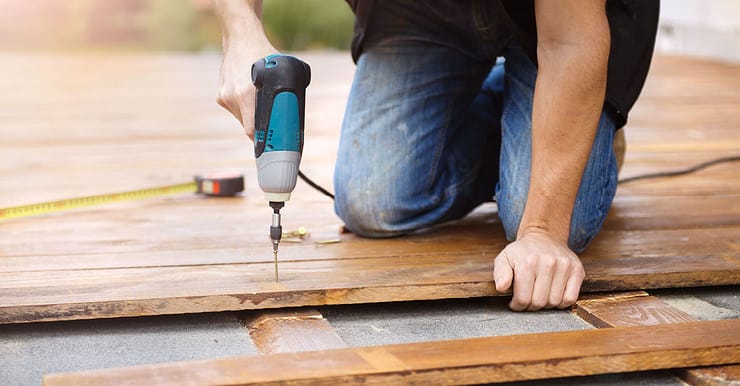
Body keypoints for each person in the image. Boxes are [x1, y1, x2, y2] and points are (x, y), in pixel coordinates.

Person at [214, 0, 659, 311]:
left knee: (552, 221)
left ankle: (584, 122)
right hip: (418, 10)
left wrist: (542, 231)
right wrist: (240, 31)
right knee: (373, 201)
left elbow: (570, 40)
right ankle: (530, 119)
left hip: (565, 23)